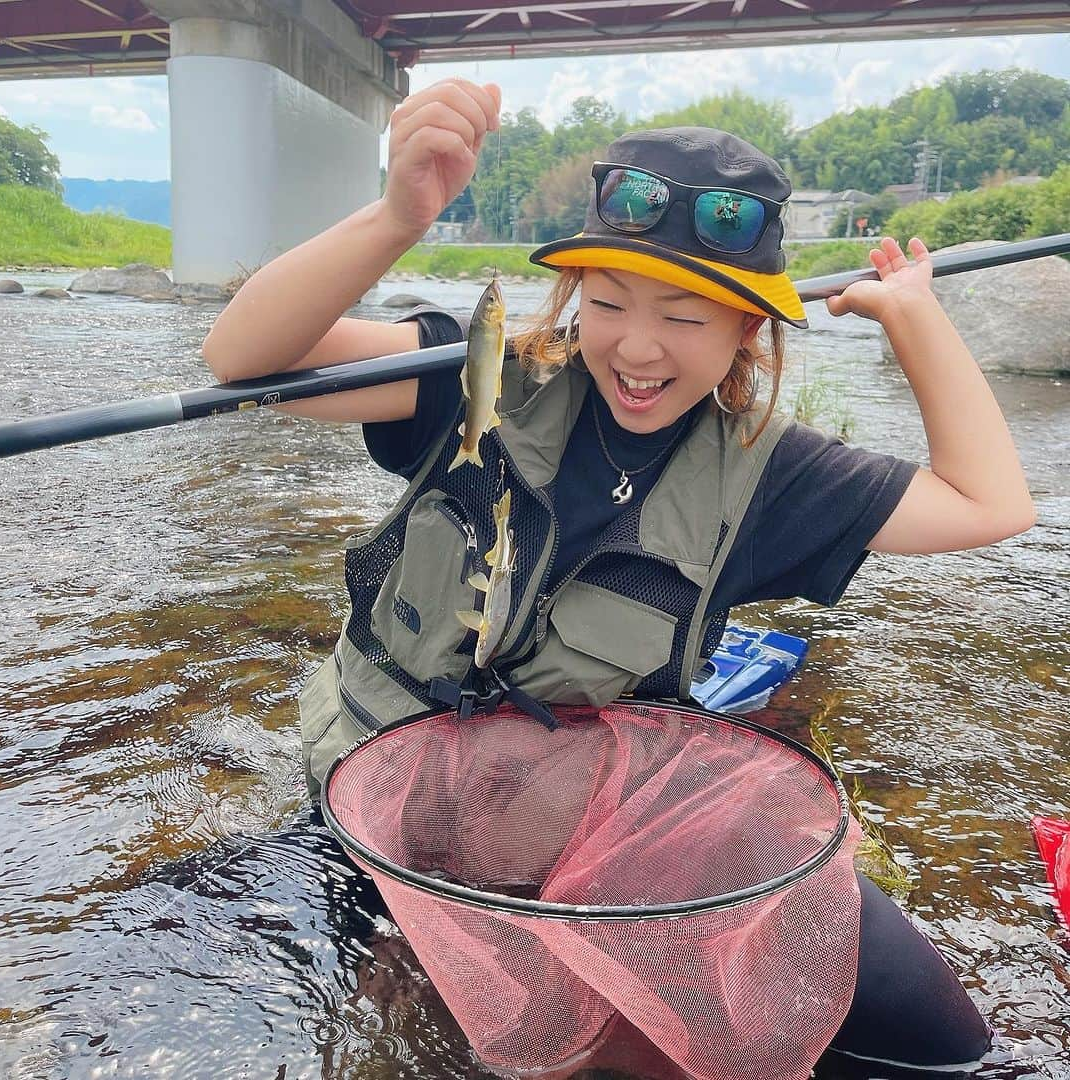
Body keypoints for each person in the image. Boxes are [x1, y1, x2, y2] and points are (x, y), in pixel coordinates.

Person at [203, 77, 1033, 1075]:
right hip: (381, 804)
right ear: (572, 299)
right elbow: (242, 360)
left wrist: (914, 318)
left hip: (582, 827)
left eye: (687, 318)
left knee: (943, 1043)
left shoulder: (771, 474)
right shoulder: (477, 378)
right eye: (607, 304)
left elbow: (992, 504)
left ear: (747, 335)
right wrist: (397, 217)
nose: (638, 348)